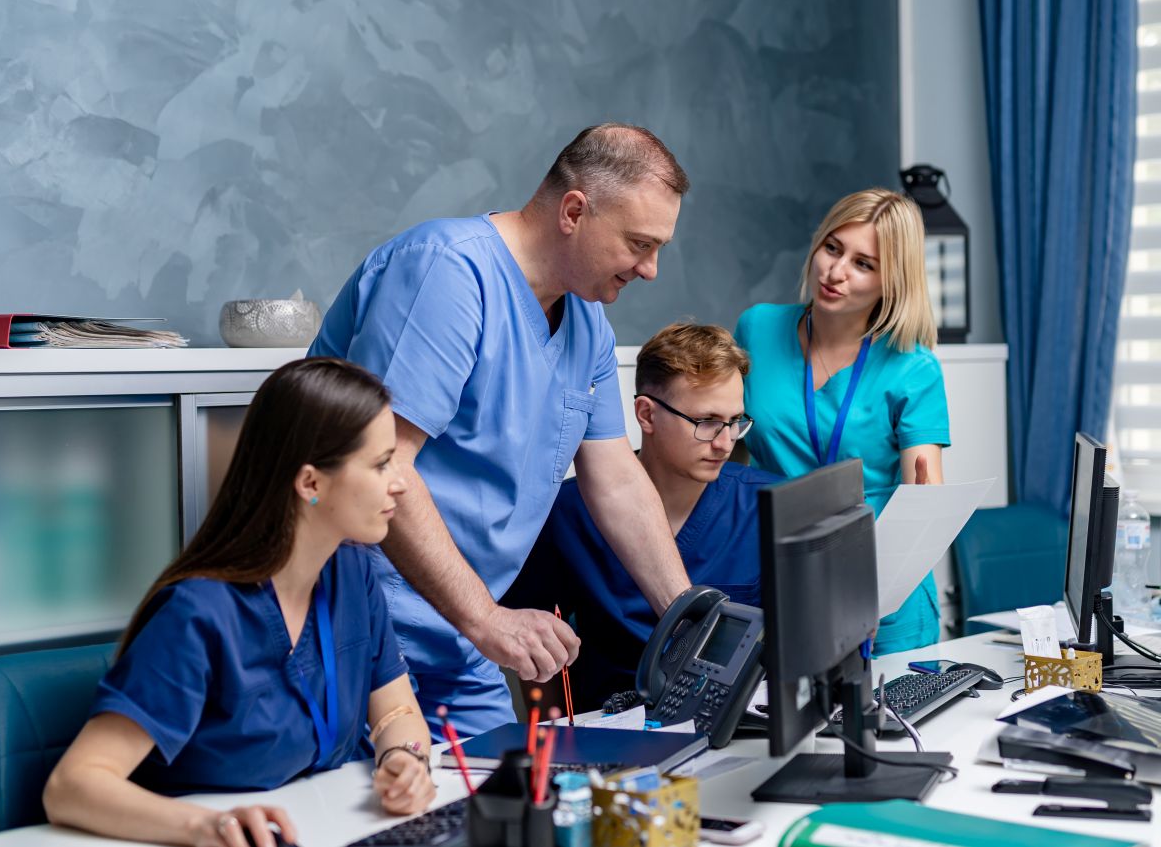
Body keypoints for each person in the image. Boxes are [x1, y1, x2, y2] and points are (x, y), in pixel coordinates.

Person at [308, 124, 696, 735]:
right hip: (356, 623)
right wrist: (486, 618)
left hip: (459, 635)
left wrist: (688, 619)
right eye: (639, 244)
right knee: (381, 817)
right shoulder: (446, 273)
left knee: (506, 804)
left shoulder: (587, 323)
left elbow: (616, 478)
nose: (650, 269)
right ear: (575, 211)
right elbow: (385, 465)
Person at [44, 358, 435, 847]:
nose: (399, 482)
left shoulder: (351, 573)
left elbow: (397, 711)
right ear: (310, 483)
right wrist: (207, 826)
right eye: (380, 465)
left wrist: (405, 760)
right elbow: (72, 785)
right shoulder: (199, 614)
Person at [503, 323, 781, 710]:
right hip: (607, 730)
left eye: (735, 421)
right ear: (646, 415)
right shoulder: (567, 512)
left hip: (733, 722)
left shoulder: (769, 504)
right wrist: (554, 736)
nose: (725, 442)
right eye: (707, 422)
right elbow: (532, 644)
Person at [734, 188, 948, 655]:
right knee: (788, 725)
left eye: (863, 264)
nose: (835, 272)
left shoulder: (914, 367)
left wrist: (872, 595)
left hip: (881, 591)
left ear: (892, 280)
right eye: (833, 248)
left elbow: (923, 506)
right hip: (782, 574)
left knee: (891, 725)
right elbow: (730, 453)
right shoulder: (757, 329)